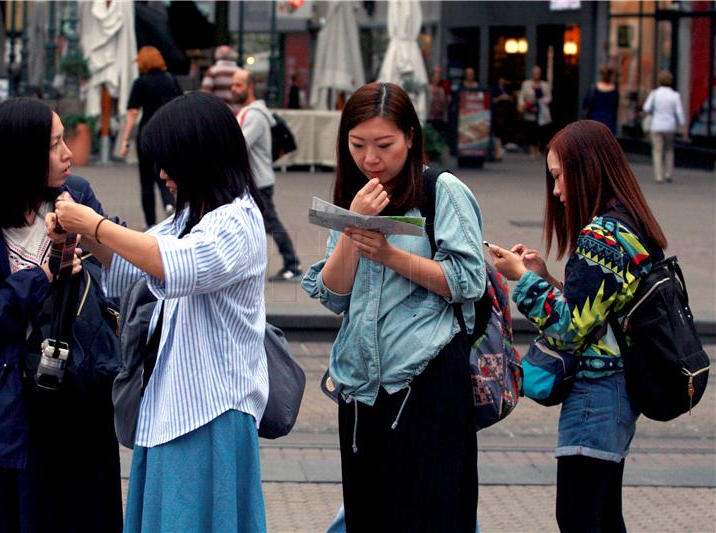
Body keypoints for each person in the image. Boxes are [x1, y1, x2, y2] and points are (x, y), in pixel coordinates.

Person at [54, 92, 268, 533]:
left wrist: (92, 224)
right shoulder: (188, 217)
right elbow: (129, 270)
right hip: (171, 405)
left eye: (170, 161)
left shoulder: (238, 221)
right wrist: (83, 237)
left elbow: (175, 264)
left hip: (212, 410)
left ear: (201, 157)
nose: (163, 174)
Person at [302, 82, 485, 532]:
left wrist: (390, 255)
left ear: (409, 136)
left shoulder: (441, 190)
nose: (371, 158)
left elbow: (468, 280)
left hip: (425, 381)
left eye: (384, 145)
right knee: (369, 515)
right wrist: (352, 225)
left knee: (427, 515)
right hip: (362, 387)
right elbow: (333, 294)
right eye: (357, 145)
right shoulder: (356, 193)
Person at [0, 98, 123, 533]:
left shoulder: (75, 198)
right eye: (54, 144)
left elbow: (116, 270)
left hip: (79, 400)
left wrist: (87, 238)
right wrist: (42, 275)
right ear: (21, 153)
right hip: (11, 413)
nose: (67, 154)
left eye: (63, 140)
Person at [487, 120, 667, 533]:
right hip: (620, 392)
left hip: (597, 394)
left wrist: (523, 279)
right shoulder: (630, 222)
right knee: (604, 516)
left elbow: (571, 327)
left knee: (578, 517)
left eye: (558, 176)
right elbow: (600, 309)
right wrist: (545, 276)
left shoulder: (601, 235)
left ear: (586, 168)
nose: (556, 190)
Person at [232, 69, 302, 281]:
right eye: (233, 85)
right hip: (251, 181)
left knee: (270, 224)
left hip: (258, 182)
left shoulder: (254, 115)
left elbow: (239, 145)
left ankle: (293, 264)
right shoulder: (248, 112)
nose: (234, 89)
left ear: (250, 87)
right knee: (250, 225)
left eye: (239, 85)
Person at [121, 46, 181, 227]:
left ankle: (150, 224)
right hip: (168, 133)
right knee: (166, 173)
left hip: (147, 134)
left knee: (146, 180)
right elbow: (180, 106)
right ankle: (170, 204)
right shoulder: (171, 80)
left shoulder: (141, 83)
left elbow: (132, 112)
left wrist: (125, 140)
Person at [643, 70, 688, 183]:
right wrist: (683, 127)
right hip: (670, 126)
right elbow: (679, 112)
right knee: (669, 149)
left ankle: (658, 175)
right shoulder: (675, 95)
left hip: (656, 125)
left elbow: (646, 108)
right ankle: (668, 173)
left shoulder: (654, 94)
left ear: (659, 81)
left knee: (657, 151)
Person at [519, 66, 553, 157]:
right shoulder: (526, 84)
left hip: (541, 111)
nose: (536, 75)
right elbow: (521, 95)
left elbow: (549, 97)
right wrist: (522, 105)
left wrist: (541, 102)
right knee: (531, 129)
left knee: (541, 130)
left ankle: (539, 148)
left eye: (538, 73)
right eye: (535, 73)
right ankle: (531, 149)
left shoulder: (545, 85)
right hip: (530, 109)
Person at [201, 45, 240, 113]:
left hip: (218, 112)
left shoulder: (212, 71)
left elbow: (205, 94)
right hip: (236, 113)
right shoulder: (240, 72)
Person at [583, 64, 619, 135]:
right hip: (609, 124)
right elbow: (615, 108)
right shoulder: (614, 91)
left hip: (594, 122)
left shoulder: (593, 89)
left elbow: (585, 104)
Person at [492, 76, 514, 160]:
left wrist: (508, 98)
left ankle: (499, 149)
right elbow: (492, 99)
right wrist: (500, 98)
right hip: (497, 112)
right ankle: (498, 150)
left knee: (501, 131)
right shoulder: (494, 89)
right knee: (497, 131)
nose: (502, 81)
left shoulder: (507, 88)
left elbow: (511, 97)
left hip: (505, 112)